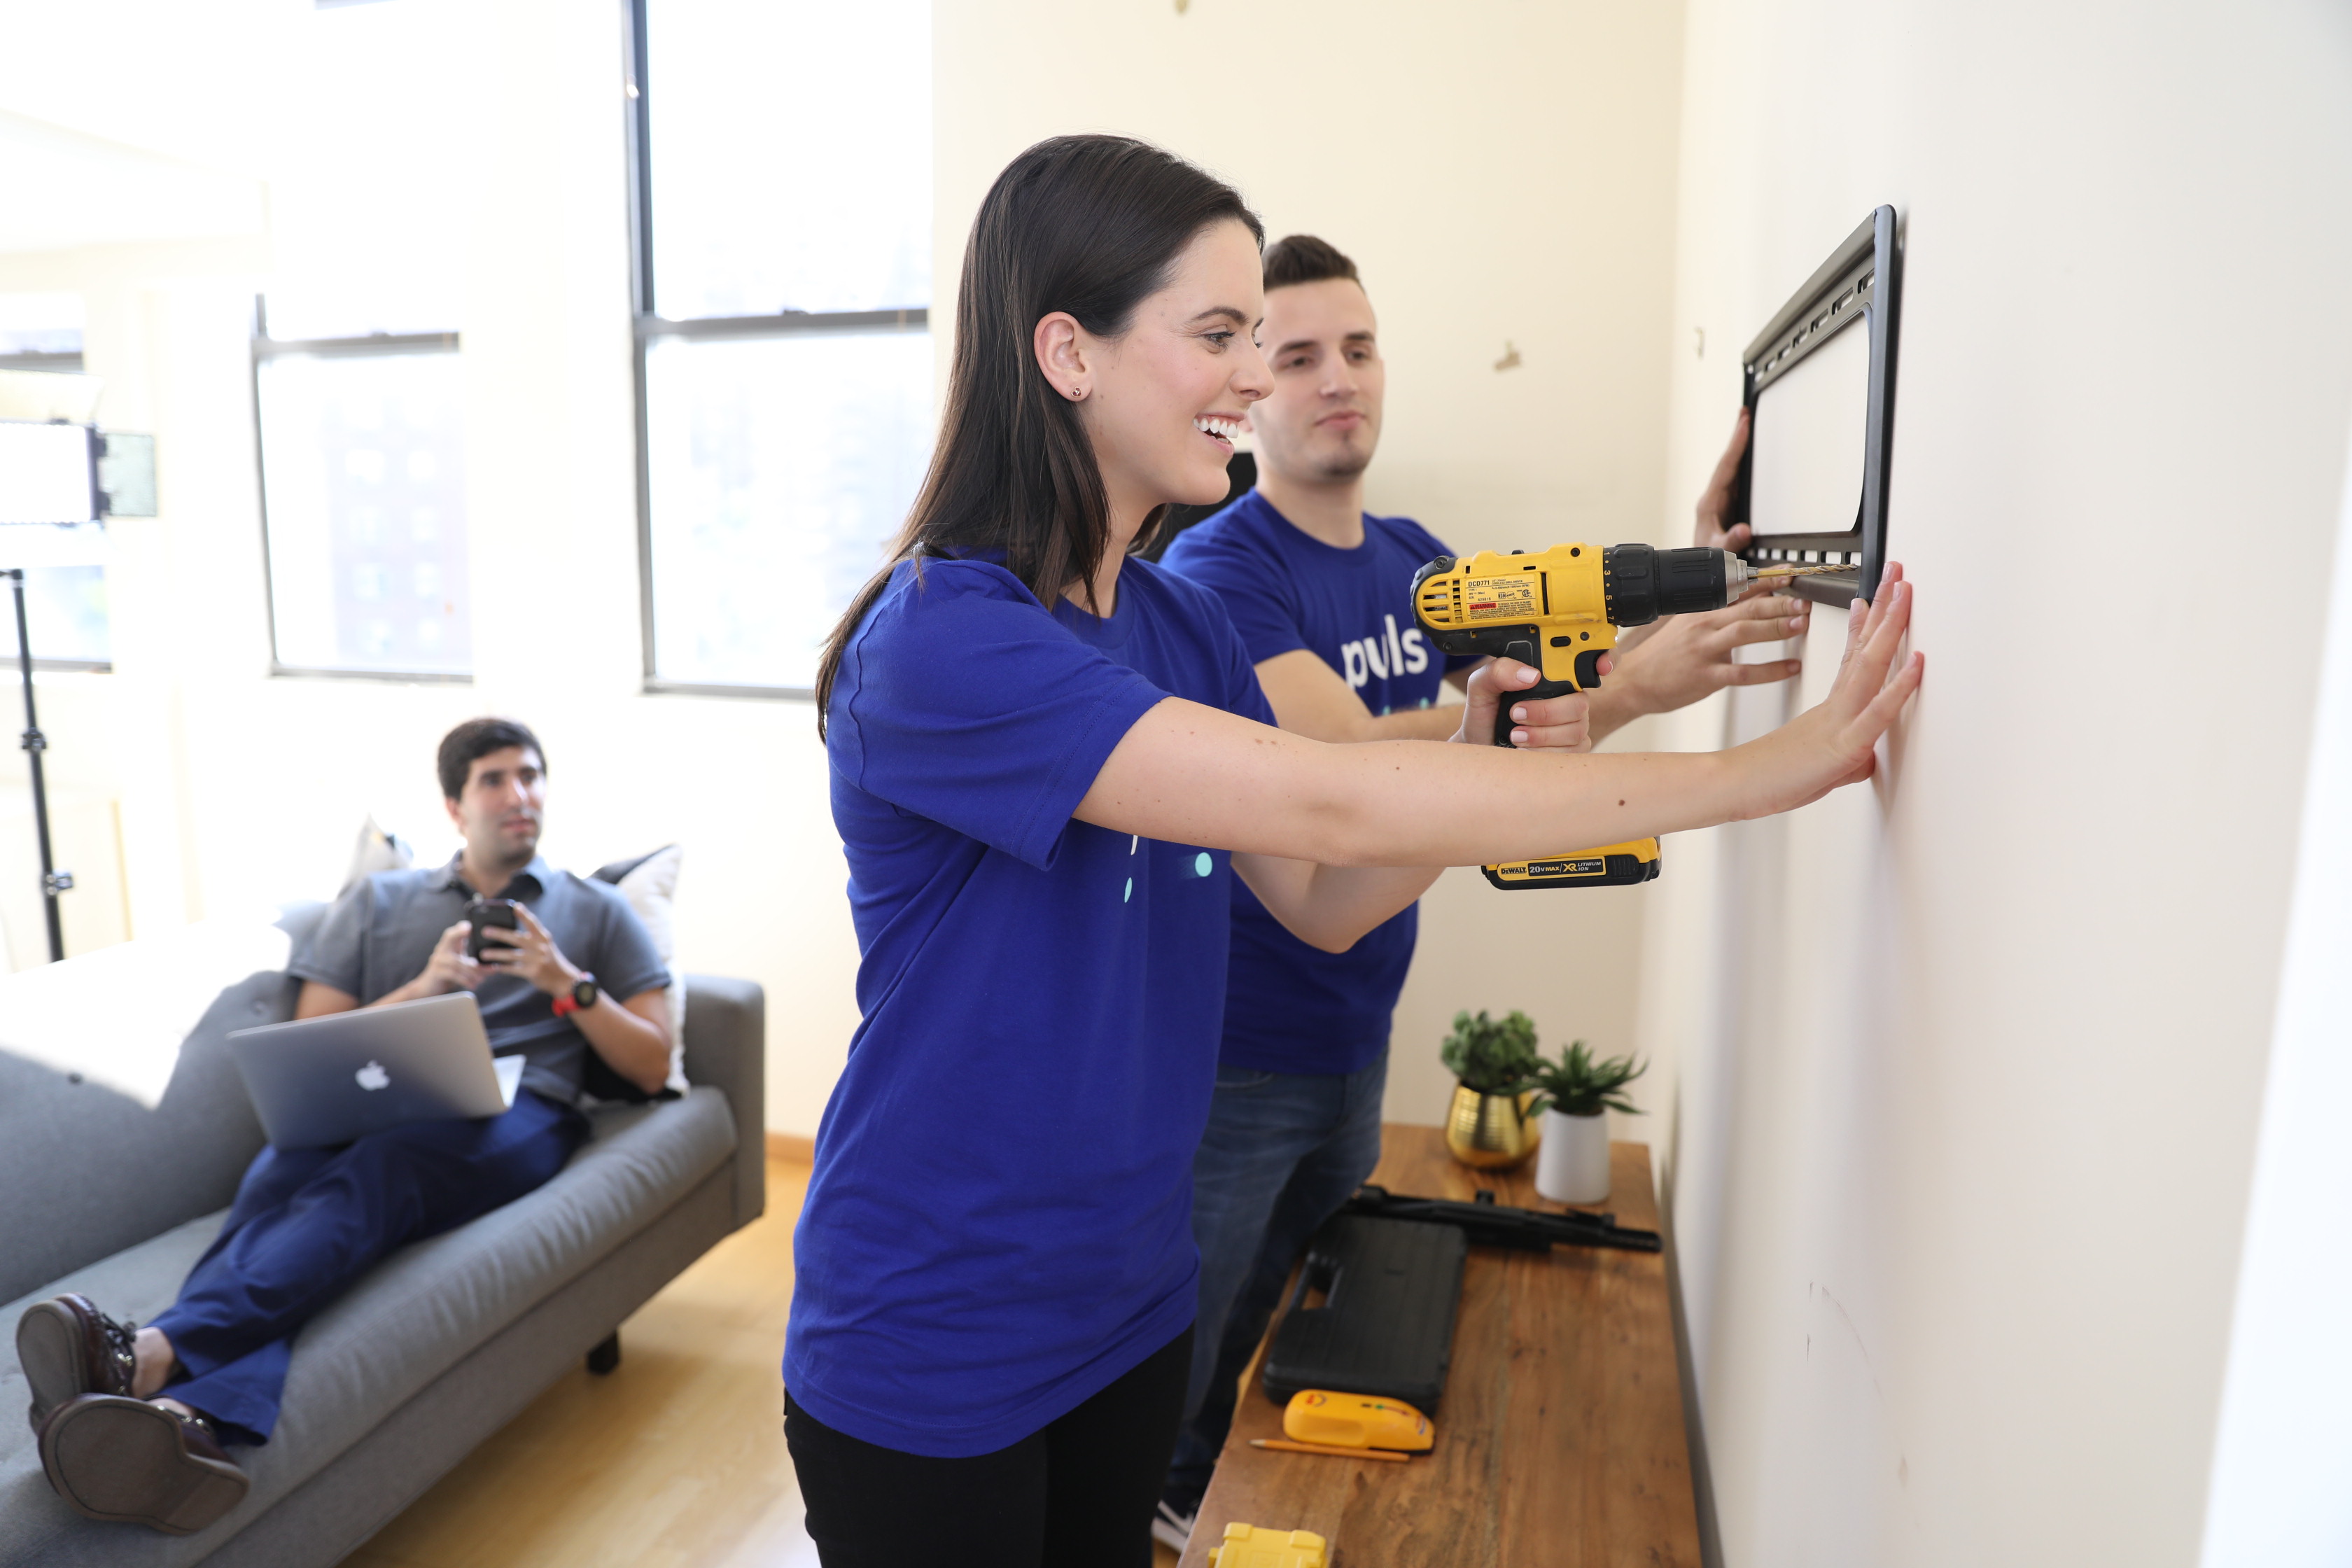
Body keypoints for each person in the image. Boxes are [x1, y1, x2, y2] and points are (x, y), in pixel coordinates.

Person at [783, 133, 1920, 1568]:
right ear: (1067, 352)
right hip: (935, 1329)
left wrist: (1467, 761)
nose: (1256, 381)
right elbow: (1329, 804)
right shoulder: (943, 638)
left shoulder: (1179, 625)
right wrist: (1765, 773)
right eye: (1221, 338)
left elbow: (1322, 897)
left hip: (1128, 1302)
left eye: (1258, 338)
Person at [1147, 235, 1810, 1541]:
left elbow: (1538, 724)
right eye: (1296, 357)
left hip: (1352, 1032)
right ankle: (1156, 1518)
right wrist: (1630, 685)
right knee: (1179, 1354)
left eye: (1360, 347)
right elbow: (1336, 771)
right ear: (1248, 390)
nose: (1340, 379)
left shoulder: (1415, 559)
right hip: (1233, 1057)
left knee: (1287, 1327)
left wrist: (1687, 575)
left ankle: (1209, 1511)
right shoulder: (1222, 574)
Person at [15, 718, 674, 1535]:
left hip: (523, 1109)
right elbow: (311, 1036)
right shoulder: (381, 901)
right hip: (374, 1097)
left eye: (533, 776)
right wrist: (428, 983)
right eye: (497, 780)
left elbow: (651, 1064)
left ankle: (147, 1352)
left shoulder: (594, 907)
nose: (522, 796)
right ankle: (187, 1425)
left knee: (383, 1170)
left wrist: (564, 981)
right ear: (453, 804)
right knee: (274, 1184)